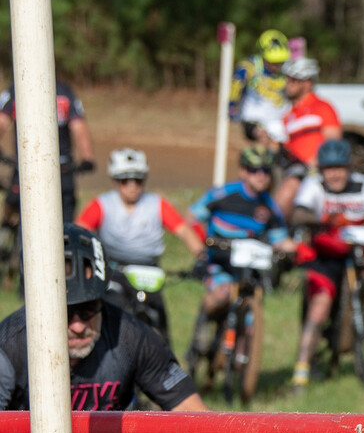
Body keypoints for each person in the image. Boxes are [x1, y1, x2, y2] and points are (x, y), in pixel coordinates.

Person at [0, 227, 201, 413]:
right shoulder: (9, 346)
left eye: (88, 308)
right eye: (64, 314)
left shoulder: (130, 335)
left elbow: (195, 415)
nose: (78, 326)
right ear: (39, 309)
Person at [286, 138, 364, 387]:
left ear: (349, 167)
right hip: (324, 254)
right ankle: (302, 368)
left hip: (355, 250)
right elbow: (299, 212)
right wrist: (323, 220)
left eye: (340, 167)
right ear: (321, 170)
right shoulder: (313, 185)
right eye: (329, 169)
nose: (335, 174)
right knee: (320, 305)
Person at [191, 147, 288, 336]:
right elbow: (191, 218)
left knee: (253, 319)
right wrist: (200, 242)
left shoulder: (270, 206)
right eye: (254, 170)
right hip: (219, 264)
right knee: (221, 295)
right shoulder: (222, 195)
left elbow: (281, 240)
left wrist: (298, 250)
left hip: (250, 272)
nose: (261, 176)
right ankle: (202, 327)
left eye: (266, 171)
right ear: (243, 171)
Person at [78, 148, 206, 281]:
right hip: (113, 270)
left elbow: (184, 230)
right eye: (125, 180)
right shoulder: (102, 204)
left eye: (138, 180)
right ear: (115, 181)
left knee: (155, 302)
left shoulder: (156, 204)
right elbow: (80, 231)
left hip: (148, 271)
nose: (132, 186)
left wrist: (201, 256)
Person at [0, 70, 94, 216]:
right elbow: (2, 121)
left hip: (61, 168)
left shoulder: (64, 92)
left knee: (64, 215)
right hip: (25, 166)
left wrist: (87, 158)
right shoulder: (15, 90)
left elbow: (79, 128)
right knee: (13, 208)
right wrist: (88, 158)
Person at [274, 58, 341, 215]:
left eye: (293, 80)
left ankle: (273, 231)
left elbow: (333, 143)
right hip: (288, 166)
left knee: (288, 189)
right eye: (287, 79)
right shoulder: (287, 114)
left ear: (307, 82)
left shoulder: (322, 107)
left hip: (314, 169)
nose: (287, 83)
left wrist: (316, 162)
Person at [228, 30, 293, 119]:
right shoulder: (251, 67)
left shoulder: (288, 68)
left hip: (280, 119)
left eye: (280, 61)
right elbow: (236, 85)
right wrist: (232, 105)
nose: (276, 65)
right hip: (255, 120)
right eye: (273, 61)